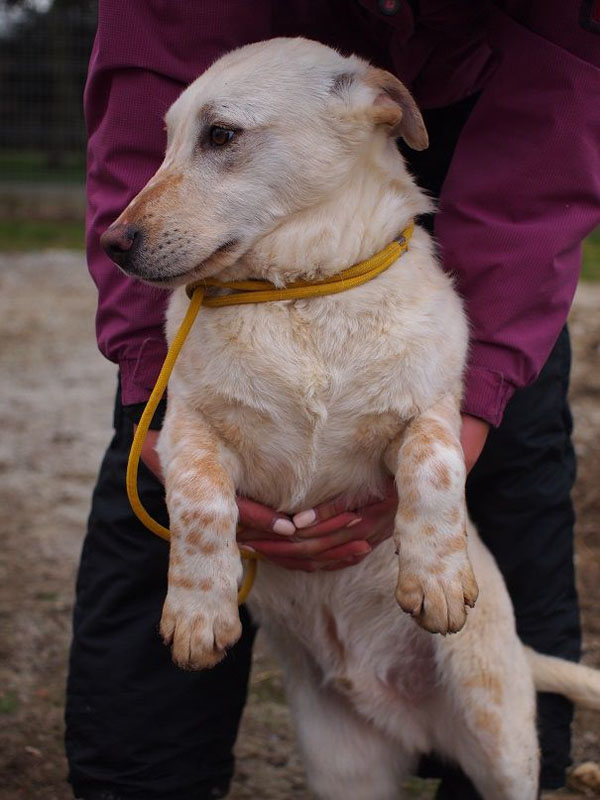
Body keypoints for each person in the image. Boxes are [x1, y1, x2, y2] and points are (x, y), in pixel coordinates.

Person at [65, 2, 600, 799]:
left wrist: (477, 397)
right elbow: (151, 76)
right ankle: (141, 776)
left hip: (471, 105)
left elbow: (551, 130)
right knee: (164, 488)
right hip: (243, 70)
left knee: (509, 458)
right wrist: (152, 384)